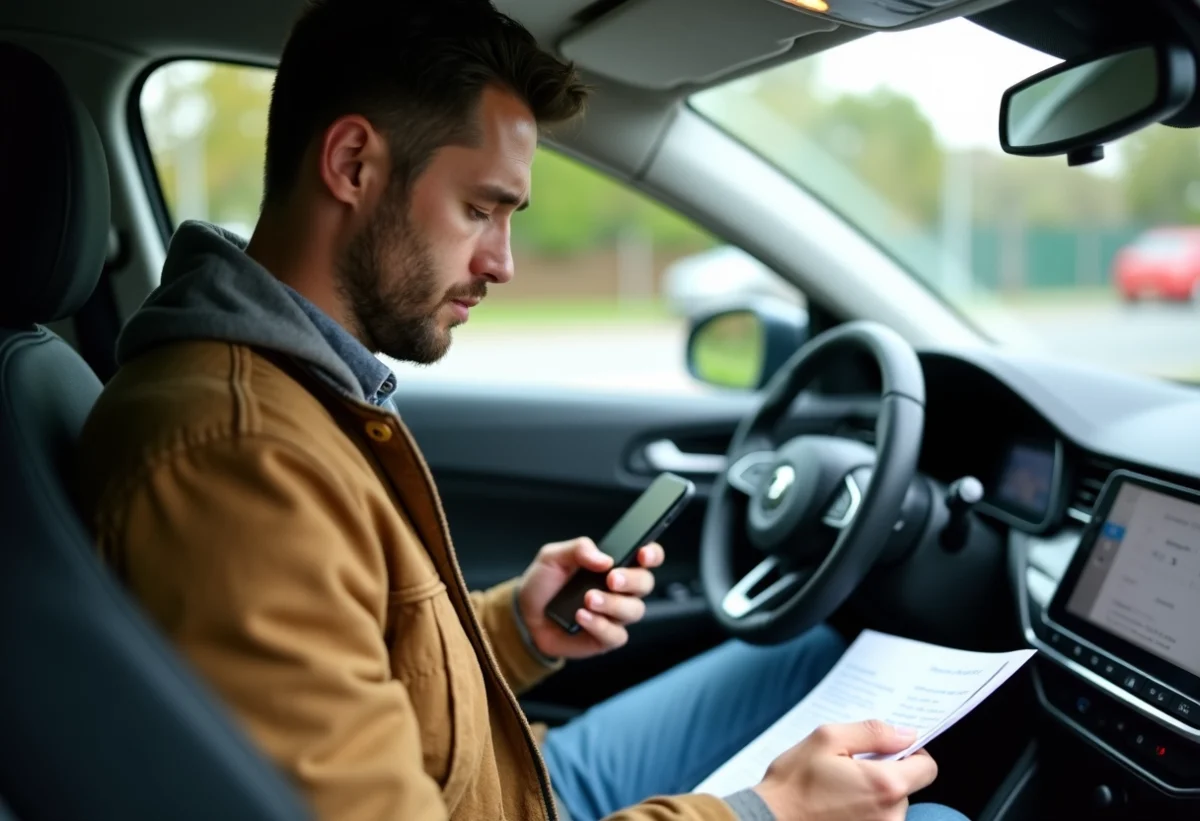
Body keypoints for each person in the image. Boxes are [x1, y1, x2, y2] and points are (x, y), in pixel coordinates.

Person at [75, 1, 971, 820]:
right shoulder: (235, 456)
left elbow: (365, 665)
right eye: (479, 209)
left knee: (812, 659)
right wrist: (758, 814)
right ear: (353, 164)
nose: (502, 263)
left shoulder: (292, 389)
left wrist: (512, 628)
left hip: (515, 781)